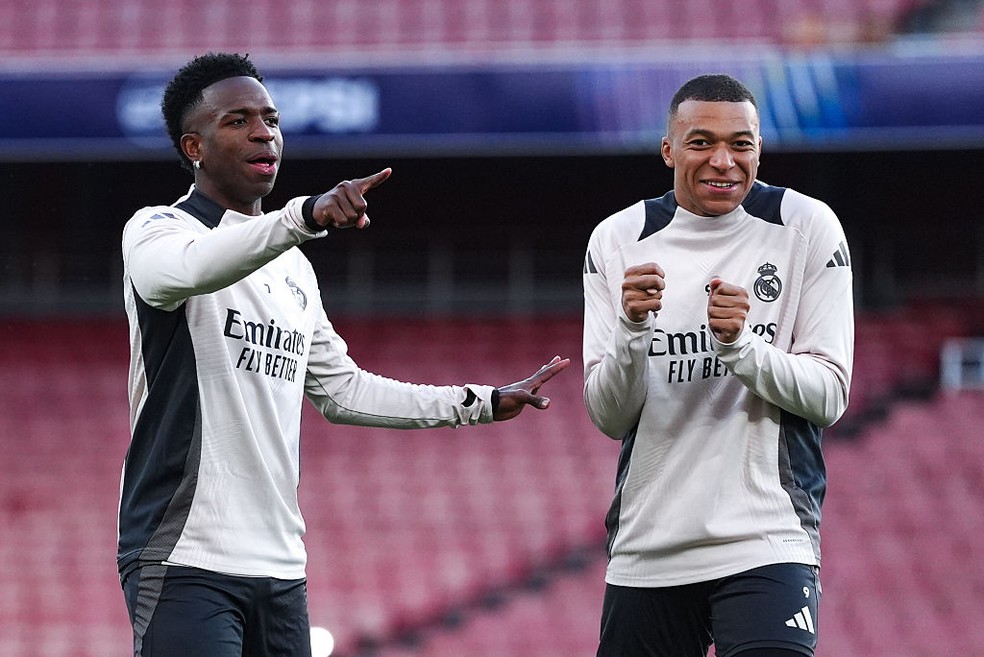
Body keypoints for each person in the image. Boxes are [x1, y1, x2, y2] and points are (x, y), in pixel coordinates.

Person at [118, 52, 570, 657]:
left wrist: (477, 402)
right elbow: (185, 271)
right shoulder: (158, 230)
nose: (263, 133)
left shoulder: (293, 266)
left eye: (271, 119)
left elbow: (342, 391)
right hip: (183, 554)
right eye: (238, 121)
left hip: (280, 565)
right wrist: (303, 215)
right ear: (193, 146)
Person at [582, 74, 854, 657]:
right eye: (701, 142)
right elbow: (609, 416)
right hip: (649, 544)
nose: (724, 162)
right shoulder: (617, 239)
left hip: (767, 535)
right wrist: (632, 330)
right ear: (668, 150)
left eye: (741, 144)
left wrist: (740, 347)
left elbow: (829, 396)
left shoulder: (806, 226)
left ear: (760, 149)